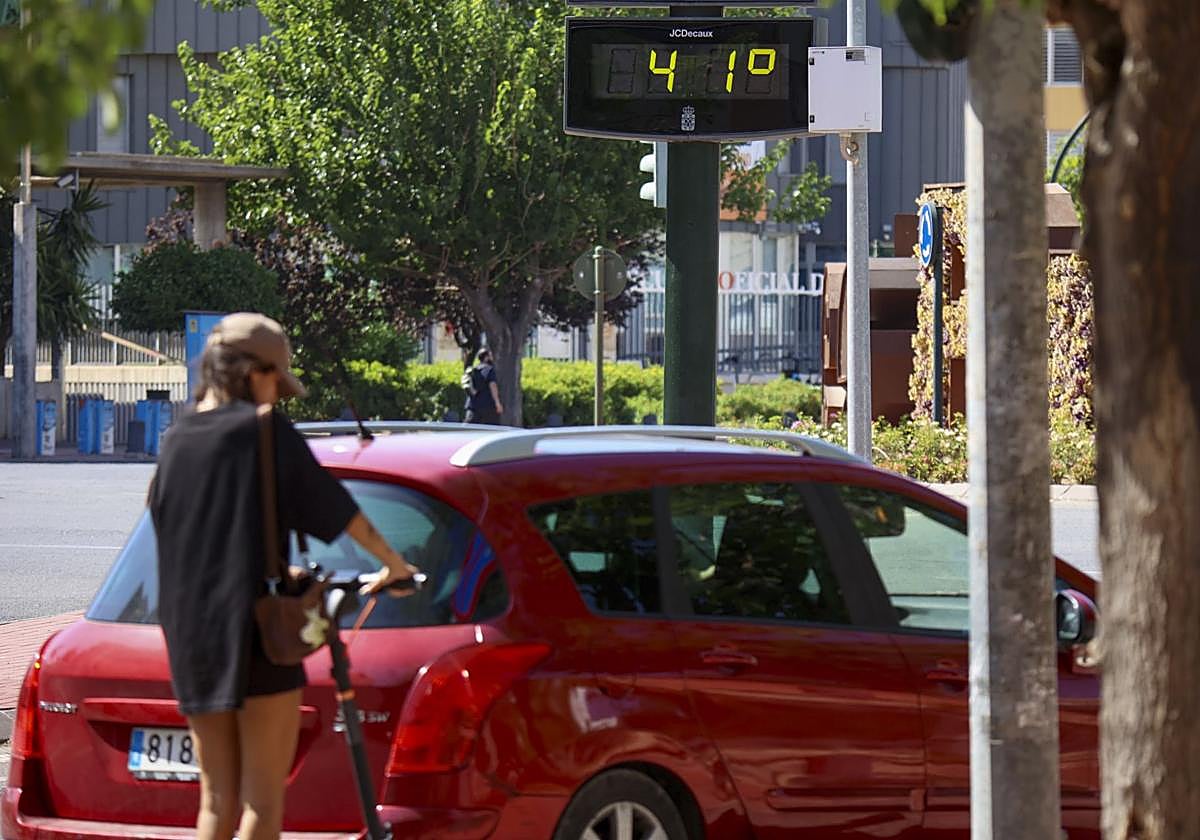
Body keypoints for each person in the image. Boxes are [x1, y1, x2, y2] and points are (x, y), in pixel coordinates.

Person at [148, 313, 419, 840]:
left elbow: (175, 524)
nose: (278, 395)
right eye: (277, 381)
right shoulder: (264, 429)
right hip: (256, 628)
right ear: (254, 373)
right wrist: (394, 564)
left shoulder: (177, 438)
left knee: (215, 800)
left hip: (190, 633)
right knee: (263, 800)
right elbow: (341, 514)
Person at [462, 348, 503, 424]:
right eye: (490, 356)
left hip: (472, 406)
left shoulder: (474, 370)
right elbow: (493, 386)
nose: (492, 358)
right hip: (486, 406)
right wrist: (497, 403)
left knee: (470, 428)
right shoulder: (489, 370)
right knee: (490, 428)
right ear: (486, 357)